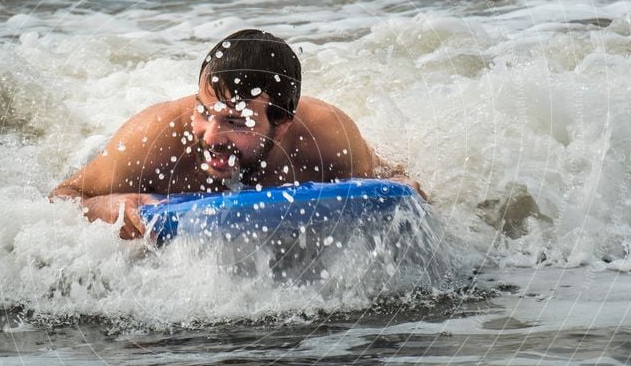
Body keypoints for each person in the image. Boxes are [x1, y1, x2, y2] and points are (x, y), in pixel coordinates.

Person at [50, 29, 424, 239]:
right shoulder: (153, 137)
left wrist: (406, 184)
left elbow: (391, 182)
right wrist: (111, 207)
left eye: (235, 121)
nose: (210, 136)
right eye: (203, 111)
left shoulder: (328, 138)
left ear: (282, 124)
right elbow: (62, 197)